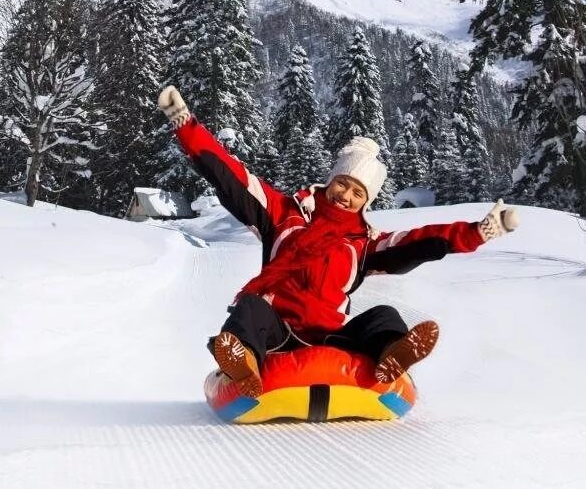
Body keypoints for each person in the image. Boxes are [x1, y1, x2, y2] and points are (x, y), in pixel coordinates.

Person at [158, 85, 519, 397]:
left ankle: (392, 357)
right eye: (343, 183)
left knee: (385, 316)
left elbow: (418, 241)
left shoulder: (363, 243)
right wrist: (184, 124)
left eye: (358, 192)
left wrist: (478, 232)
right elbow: (232, 176)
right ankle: (245, 365)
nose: (346, 195)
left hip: (331, 338)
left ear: (367, 200)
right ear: (331, 180)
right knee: (250, 307)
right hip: (277, 333)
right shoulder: (284, 213)